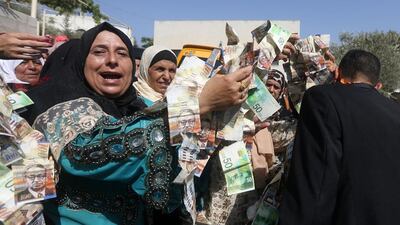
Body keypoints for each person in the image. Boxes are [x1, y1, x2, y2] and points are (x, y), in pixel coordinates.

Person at [21, 22, 252, 225]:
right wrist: (196, 105)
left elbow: (168, 179)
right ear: (82, 62)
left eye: (122, 53)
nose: (112, 60)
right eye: (99, 52)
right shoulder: (56, 104)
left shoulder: (140, 107)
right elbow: (89, 152)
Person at [278, 49, 400, 225]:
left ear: (339, 72)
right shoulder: (395, 112)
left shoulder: (323, 99)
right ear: (376, 81)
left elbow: (315, 183)